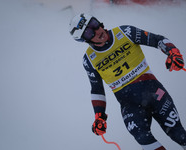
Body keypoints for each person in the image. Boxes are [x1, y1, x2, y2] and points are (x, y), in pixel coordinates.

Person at [69, 13, 186, 150]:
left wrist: (173, 52)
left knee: (178, 134)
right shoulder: (89, 59)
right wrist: (99, 116)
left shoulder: (125, 32)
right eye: (89, 33)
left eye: (94, 24)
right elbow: (97, 90)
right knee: (143, 138)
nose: (97, 31)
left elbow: (157, 39)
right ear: (85, 40)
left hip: (154, 93)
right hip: (130, 105)